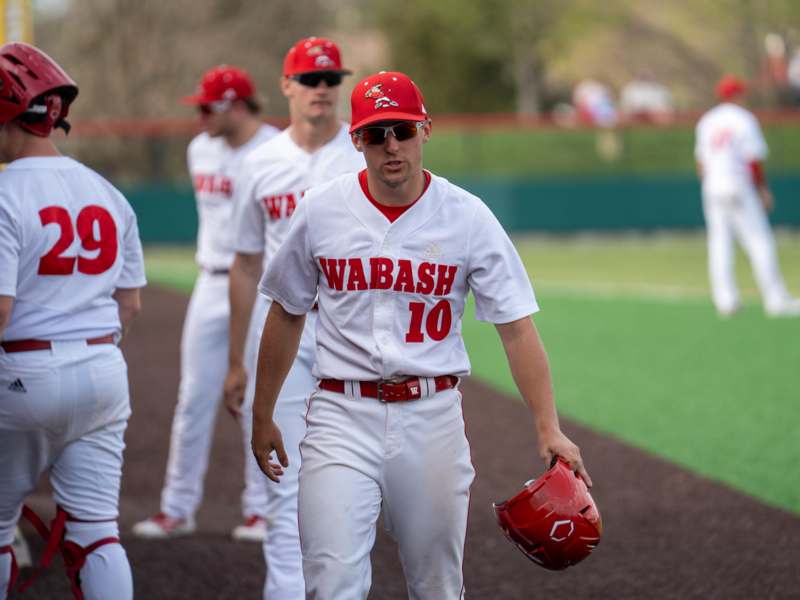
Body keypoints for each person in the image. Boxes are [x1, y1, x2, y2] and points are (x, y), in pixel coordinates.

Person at [251, 70, 591, 599]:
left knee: (436, 586)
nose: (391, 145)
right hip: (341, 413)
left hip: (431, 416)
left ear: (426, 130)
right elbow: (287, 310)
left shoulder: (467, 217)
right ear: (356, 138)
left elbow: (517, 330)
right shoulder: (321, 209)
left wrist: (549, 426)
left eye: (402, 131)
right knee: (330, 583)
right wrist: (262, 410)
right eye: (375, 132)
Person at [0, 42, 146, 599]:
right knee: (96, 534)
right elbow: (128, 304)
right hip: (103, 370)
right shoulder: (108, 192)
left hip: (22, 371)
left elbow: (1, 310)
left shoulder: (5, 192)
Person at [224, 37, 364, 599]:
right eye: (310, 79)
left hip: (350, 337)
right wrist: (237, 358)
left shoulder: (361, 154)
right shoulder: (257, 164)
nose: (322, 88)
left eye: (331, 79)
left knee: (354, 486)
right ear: (286, 86)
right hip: (282, 336)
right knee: (282, 484)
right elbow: (245, 262)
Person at [132, 66, 278, 541]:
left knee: (257, 397)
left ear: (236, 104)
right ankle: (177, 508)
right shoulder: (200, 150)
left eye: (206, 107)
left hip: (262, 284)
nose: (199, 117)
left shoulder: (277, 150)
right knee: (193, 398)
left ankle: (261, 508)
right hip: (211, 279)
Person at [695, 75, 800, 317]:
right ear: (738, 95)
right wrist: (762, 189)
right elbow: (752, 160)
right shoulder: (744, 119)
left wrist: (711, 185)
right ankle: (776, 299)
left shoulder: (707, 120)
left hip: (713, 184)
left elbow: (701, 163)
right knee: (758, 240)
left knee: (719, 243)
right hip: (738, 182)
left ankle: (726, 301)